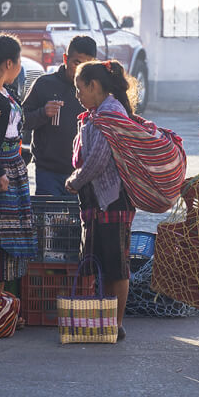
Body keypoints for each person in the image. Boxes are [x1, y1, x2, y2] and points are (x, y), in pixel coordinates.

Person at [65, 60, 137, 339]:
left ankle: (115, 324)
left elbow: (96, 161)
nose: (78, 95)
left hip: (114, 200)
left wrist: (75, 181)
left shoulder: (110, 113)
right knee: (104, 264)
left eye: (79, 89)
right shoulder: (100, 112)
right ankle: (107, 321)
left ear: (93, 86)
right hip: (102, 201)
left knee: (116, 266)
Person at [0, 34, 37, 282]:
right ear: (9, 63)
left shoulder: (5, 92)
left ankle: (3, 304)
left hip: (13, 171)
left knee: (9, 237)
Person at [23, 34, 100, 196]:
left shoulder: (96, 90)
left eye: (87, 65)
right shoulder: (45, 84)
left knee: (78, 220)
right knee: (47, 218)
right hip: (48, 172)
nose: (80, 70)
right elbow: (21, 121)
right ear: (65, 59)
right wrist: (42, 113)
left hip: (82, 174)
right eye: (76, 63)